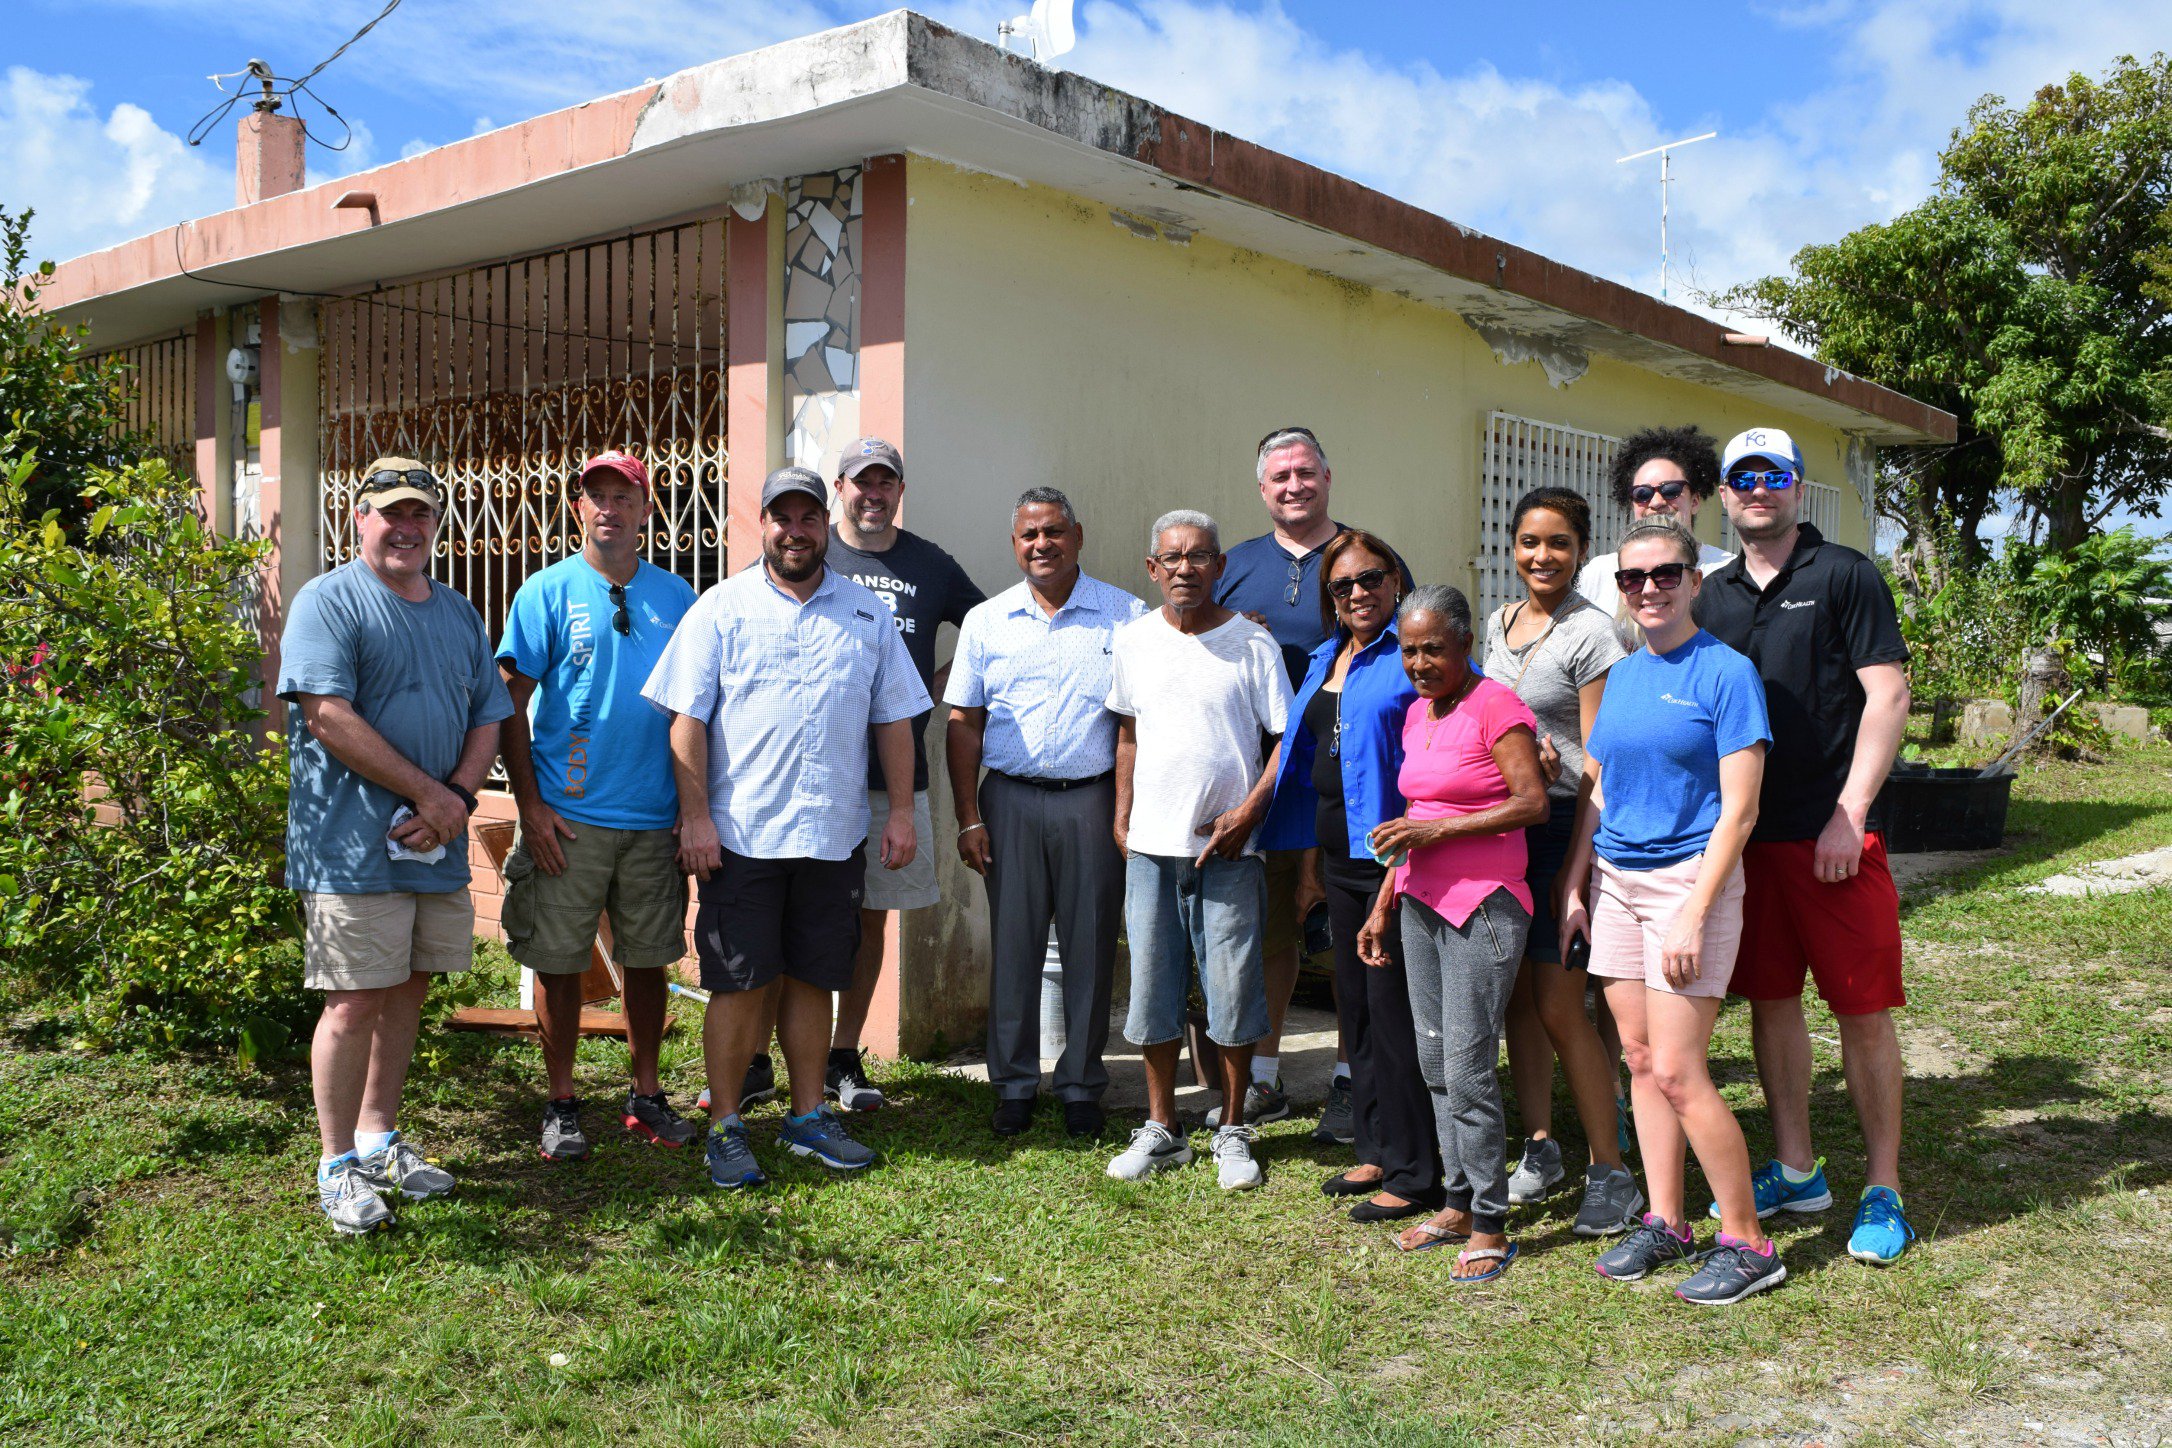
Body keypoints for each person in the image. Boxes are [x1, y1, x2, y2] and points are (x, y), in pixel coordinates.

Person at [642, 466, 930, 1191]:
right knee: (739, 984)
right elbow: (687, 721)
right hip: (742, 836)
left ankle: (807, 1119)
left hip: (832, 835)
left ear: (823, 524)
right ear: (761, 525)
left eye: (808, 518)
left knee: (812, 978)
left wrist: (899, 810)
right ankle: (728, 1127)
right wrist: (697, 817)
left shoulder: (864, 614)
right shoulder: (721, 608)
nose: (795, 530)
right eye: (782, 517)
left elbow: (894, 717)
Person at [1696, 426, 1916, 1265]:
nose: (1758, 488)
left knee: (1861, 1011)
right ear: (1723, 493)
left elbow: (1887, 695)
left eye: (1774, 474)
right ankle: (1796, 1169)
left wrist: (1849, 813)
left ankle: (1883, 1187)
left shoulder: (1844, 574)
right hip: (1746, 843)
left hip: (1832, 840)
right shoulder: (1709, 595)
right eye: (1742, 477)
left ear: (1796, 486)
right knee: (1773, 1001)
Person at [278, 458, 512, 1234]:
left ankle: (379, 1140)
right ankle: (337, 1165)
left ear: (436, 525)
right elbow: (327, 715)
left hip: (434, 840)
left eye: (421, 515)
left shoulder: (456, 611)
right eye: (390, 514)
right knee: (353, 1000)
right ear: (360, 520)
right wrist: (429, 793)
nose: (406, 528)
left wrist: (459, 801)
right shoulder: (330, 601)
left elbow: (489, 712)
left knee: (409, 988)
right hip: (351, 846)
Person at [1560, 519, 1787, 1305]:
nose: (1648, 589)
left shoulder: (1727, 674)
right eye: (1632, 578)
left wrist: (1695, 911)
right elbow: (1598, 785)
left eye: (1664, 575)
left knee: (1684, 1070)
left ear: (1694, 580)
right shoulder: (1621, 676)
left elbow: (1742, 812)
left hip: (1691, 883)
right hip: (1617, 881)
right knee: (1639, 1059)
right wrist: (1575, 882)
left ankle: (1750, 1241)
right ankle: (1667, 1219)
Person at [497, 450, 699, 1162]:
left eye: (624, 496)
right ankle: (561, 1103)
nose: (608, 508)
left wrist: (693, 805)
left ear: (647, 511)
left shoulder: (678, 598)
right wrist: (532, 806)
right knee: (559, 962)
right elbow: (508, 706)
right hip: (569, 819)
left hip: (653, 818)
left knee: (650, 961)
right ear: (578, 509)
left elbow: (698, 708)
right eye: (596, 496)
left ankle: (646, 1096)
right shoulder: (545, 593)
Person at [1216, 426, 1411, 1143]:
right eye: (1279, 477)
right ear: (1261, 488)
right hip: (1268, 772)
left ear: (1327, 476)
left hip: (1360, 778)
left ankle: (1347, 1078)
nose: (1293, 486)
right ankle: (1263, 1077)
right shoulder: (1232, 565)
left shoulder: (1369, 559)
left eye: (1305, 472)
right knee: (1273, 929)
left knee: (1347, 931)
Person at [1358, 585, 1548, 1282]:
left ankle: (1493, 1223)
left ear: (1465, 643)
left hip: (1487, 905)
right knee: (1436, 1065)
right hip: (1419, 901)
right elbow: (1414, 813)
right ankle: (1458, 1201)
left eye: (1432, 647)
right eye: (1409, 649)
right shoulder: (1415, 715)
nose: (1418, 662)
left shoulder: (1496, 705)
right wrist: (1383, 903)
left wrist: (1438, 829)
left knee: (1469, 1068)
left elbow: (1531, 803)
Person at [945, 487, 1144, 1139]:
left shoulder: (1125, 616)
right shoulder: (987, 620)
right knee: (1015, 945)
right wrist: (968, 816)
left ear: (1078, 536)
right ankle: (1014, 1085)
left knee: (1090, 945)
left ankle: (1082, 1083)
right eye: (1029, 534)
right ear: (1014, 544)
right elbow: (964, 723)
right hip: (1010, 802)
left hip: (1092, 800)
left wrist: (1124, 811)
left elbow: (1133, 721)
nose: (1042, 545)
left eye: (1054, 532)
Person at [1106, 509, 1292, 1190]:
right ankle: (1163, 1128)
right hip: (1151, 848)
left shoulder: (1252, 644)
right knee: (1153, 987)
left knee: (1233, 989)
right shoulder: (1132, 642)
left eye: (1200, 556)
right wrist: (1121, 816)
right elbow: (1126, 732)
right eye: (1172, 558)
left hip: (1229, 848)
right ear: (1153, 568)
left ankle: (1233, 1127)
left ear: (1218, 566)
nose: (1185, 568)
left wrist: (1248, 813)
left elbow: (1283, 742)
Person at [1261, 531, 1442, 1224]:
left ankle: (1417, 1170)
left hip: (1394, 860)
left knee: (1395, 1014)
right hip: (1337, 857)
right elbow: (1307, 761)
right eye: (1343, 586)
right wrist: (1301, 854)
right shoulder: (1326, 656)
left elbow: (1456, 734)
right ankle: (1374, 1146)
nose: (1359, 594)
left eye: (1371, 579)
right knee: (1357, 1009)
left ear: (1396, 579)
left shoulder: (1417, 654)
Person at [1484, 487, 1643, 1235]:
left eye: (1557, 543)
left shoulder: (1593, 635)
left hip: (1563, 834)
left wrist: (1575, 869)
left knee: (1558, 1003)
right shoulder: (1498, 623)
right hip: (1504, 833)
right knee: (1517, 999)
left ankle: (1612, 1169)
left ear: (1582, 550)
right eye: (1527, 542)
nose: (1540, 556)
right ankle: (1542, 1144)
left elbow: (1599, 763)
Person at [816, 436, 985, 1112]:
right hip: (811, 773)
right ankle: (760, 1056)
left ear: (899, 492)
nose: (873, 495)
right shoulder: (809, 549)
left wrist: (935, 689)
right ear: (841, 487)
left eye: (885, 483)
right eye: (862, 483)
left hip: (896, 779)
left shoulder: (929, 564)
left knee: (871, 919)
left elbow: (986, 630)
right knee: (797, 914)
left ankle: (842, 1053)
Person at [1576, 426, 1734, 648]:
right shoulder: (1599, 572)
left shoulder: (1727, 570)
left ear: (1695, 500)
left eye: (1670, 490)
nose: (1656, 502)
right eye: (1642, 493)